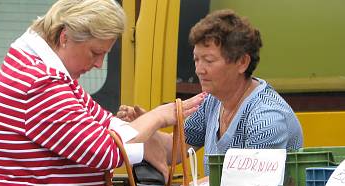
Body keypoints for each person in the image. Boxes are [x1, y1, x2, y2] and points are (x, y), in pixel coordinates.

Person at [0, 0, 205, 186]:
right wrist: (157, 117)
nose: (98, 64)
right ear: (64, 37)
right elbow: (105, 151)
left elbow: (109, 127)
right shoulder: (40, 84)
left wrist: (146, 136)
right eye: (95, 52)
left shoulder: (55, 80)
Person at [119, 9, 303, 175]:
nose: (199, 69)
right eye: (196, 60)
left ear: (242, 62)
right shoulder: (212, 101)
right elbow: (174, 150)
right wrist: (145, 127)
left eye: (208, 60)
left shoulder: (266, 119)